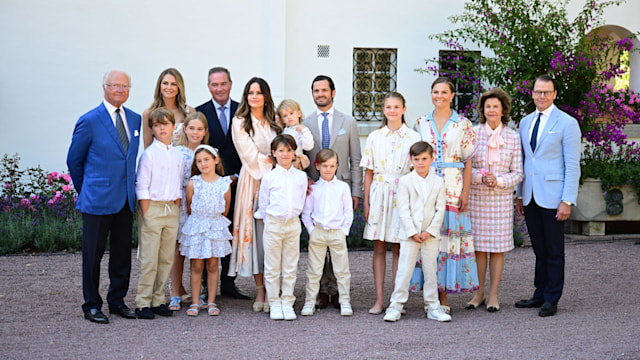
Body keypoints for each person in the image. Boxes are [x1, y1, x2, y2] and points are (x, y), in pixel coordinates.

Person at [67, 69, 141, 324]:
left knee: (122, 255)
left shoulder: (135, 119)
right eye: (115, 85)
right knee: (93, 256)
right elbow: (74, 160)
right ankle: (91, 304)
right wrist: (87, 189)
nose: (120, 90)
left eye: (125, 86)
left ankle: (117, 301)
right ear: (104, 87)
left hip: (125, 200)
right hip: (97, 200)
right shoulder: (89, 120)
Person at [515, 75, 581, 317]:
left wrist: (567, 200)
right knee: (539, 249)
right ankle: (539, 293)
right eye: (537, 92)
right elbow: (525, 160)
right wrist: (520, 195)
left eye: (546, 92)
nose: (541, 96)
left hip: (554, 196)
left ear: (554, 94)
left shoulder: (567, 123)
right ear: (532, 93)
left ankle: (552, 298)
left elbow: (573, 165)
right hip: (531, 195)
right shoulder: (525, 122)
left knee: (554, 250)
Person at [414, 76, 479, 314]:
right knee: (429, 241)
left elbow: (468, 161)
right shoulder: (421, 123)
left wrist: (466, 192)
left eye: (444, 92)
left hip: (453, 186)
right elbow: (415, 158)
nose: (439, 96)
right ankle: (429, 294)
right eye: (435, 92)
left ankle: (443, 295)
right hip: (427, 185)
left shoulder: (462, 124)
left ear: (452, 95)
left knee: (447, 242)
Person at [302, 75, 363, 309]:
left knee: (337, 245)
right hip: (314, 190)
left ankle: (337, 290)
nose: (320, 94)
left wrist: (356, 190)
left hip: (341, 187)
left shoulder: (348, 122)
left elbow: (355, 159)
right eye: (316, 90)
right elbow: (303, 159)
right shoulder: (305, 123)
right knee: (318, 246)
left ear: (333, 92)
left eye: (324, 90)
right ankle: (320, 291)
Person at [361, 92, 421, 314]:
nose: (392, 111)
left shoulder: (413, 137)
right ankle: (379, 300)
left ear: (404, 109)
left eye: (397, 107)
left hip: (403, 194)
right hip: (379, 193)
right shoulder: (375, 137)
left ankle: (398, 301)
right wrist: (366, 202)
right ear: (383, 110)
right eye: (388, 107)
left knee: (399, 247)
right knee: (379, 246)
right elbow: (368, 172)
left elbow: (418, 172)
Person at [467, 88, 523, 312]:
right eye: (488, 106)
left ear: (503, 110)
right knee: (479, 249)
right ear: (483, 109)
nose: (491, 110)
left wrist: (498, 180)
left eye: (495, 107)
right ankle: (478, 292)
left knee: (497, 249)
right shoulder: (472, 133)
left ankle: (493, 294)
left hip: (500, 200)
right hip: (477, 198)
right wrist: (481, 177)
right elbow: (465, 165)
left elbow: (518, 172)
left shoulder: (512, 136)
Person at [383, 141, 451, 323]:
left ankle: (432, 306)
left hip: (430, 235)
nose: (420, 163)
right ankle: (396, 305)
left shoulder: (438, 181)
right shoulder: (405, 181)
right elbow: (403, 209)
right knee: (404, 271)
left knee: (431, 271)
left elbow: (440, 209)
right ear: (411, 160)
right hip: (409, 235)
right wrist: (413, 232)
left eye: (424, 159)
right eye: (417, 159)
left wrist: (430, 231)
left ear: (432, 158)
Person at [229, 77, 281, 312]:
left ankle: (275, 288)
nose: (254, 96)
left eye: (259, 92)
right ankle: (261, 290)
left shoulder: (276, 121)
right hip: (253, 183)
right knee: (257, 238)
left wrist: (286, 158)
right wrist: (277, 159)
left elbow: (289, 146)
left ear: (266, 96)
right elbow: (248, 156)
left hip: (278, 183)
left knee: (275, 236)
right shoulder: (240, 122)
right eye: (250, 92)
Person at [195, 67, 248, 300]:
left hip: (238, 182)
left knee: (231, 232)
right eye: (214, 85)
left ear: (231, 84)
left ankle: (228, 282)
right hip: (211, 185)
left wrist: (236, 176)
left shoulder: (243, 111)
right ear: (209, 86)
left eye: (223, 84)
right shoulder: (200, 113)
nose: (219, 88)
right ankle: (207, 285)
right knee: (209, 232)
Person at [134, 108, 185, 320]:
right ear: (152, 129)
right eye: (157, 125)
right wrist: (146, 211)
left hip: (171, 209)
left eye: (166, 124)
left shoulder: (178, 155)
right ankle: (142, 301)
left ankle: (158, 299)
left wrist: (177, 202)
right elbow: (142, 185)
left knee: (165, 258)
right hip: (153, 208)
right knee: (149, 258)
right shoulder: (149, 155)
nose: (162, 128)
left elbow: (179, 181)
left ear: (174, 127)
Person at [256, 135, 308, 320]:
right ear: (274, 153)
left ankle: (287, 301)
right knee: (272, 266)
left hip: (293, 224)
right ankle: (274, 302)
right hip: (273, 224)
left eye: (288, 150)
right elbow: (263, 203)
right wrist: (271, 221)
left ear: (294, 152)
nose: (285, 154)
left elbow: (302, 199)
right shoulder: (269, 177)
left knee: (290, 266)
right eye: (280, 151)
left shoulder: (301, 177)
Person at [180, 145, 233, 317]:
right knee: (196, 265)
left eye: (207, 159)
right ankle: (195, 302)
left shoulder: (224, 184)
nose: (203, 163)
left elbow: (225, 209)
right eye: (199, 161)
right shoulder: (193, 183)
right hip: (197, 225)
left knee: (212, 264)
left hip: (215, 226)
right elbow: (189, 207)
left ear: (216, 160)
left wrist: (213, 220)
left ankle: (211, 301)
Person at [301, 149, 354, 317]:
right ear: (317, 166)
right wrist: (311, 231)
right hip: (318, 232)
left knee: (342, 270)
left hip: (337, 232)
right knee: (314, 270)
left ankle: (345, 301)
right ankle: (310, 302)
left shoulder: (343, 187)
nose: (328, 169)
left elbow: (348, 211)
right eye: (325, 166)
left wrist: (344, 230)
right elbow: (306, 212)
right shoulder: (314, 188)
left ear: (337, 166)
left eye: (332, 166)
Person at [168, 112, 210, 311]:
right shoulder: (177, 153)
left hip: (201, 208)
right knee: (178, 251)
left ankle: (195, 294)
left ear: (205, 132)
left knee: (197, 250)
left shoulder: (210, 153)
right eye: (192, 128)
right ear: (184, 129)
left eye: (200, 129)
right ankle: (175, 292)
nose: (195, 132)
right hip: (182, 205)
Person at [143, 68, 195, 148]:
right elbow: (147, 146)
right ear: (159, 86)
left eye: (173, 84)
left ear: (179, 87)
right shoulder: (149, 114)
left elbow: (194, 144)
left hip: (184, 159)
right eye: (165, 83)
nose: (169, 87)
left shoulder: (189, 112)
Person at [276, 99, 314, 170]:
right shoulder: (284, 131)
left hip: (296, 161)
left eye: (291, 113)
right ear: (282, 119)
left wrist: (304, 131)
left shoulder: (302, 129)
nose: (289, 117)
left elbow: (308, 147)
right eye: (285, 116)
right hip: (284, 161)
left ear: (299, 113)